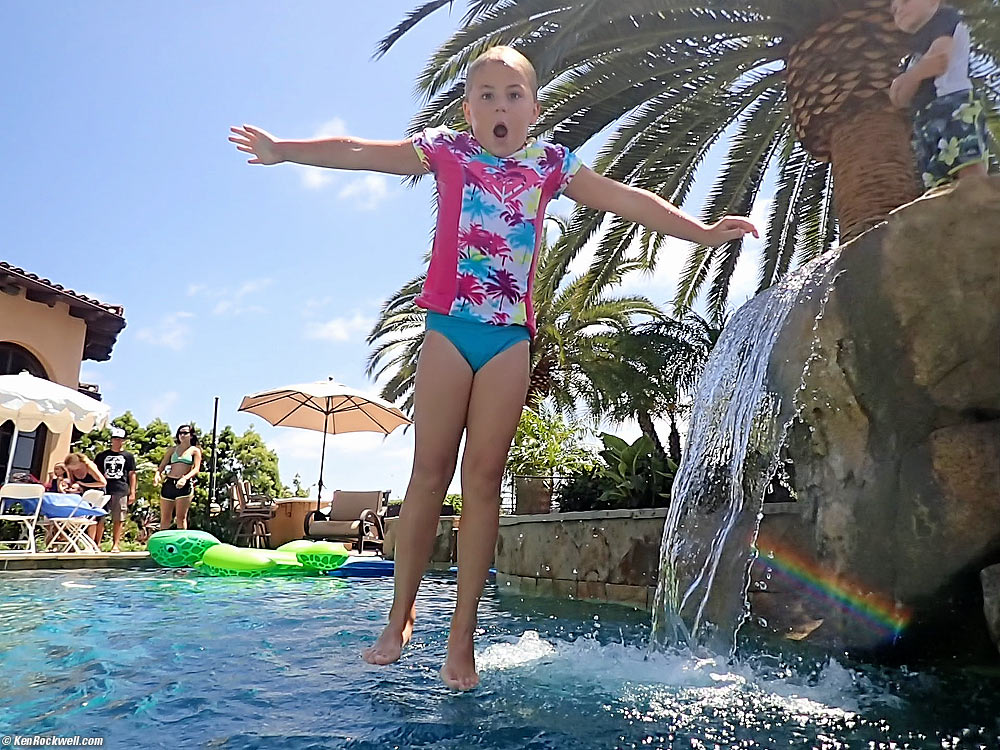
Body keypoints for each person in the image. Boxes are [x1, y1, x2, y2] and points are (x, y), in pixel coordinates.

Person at [229, 45, 757, 690]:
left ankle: (462, 640)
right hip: (448, 332)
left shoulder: (551, 165)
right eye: (486, 95)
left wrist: (700, 232)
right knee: (426, 477)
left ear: (534, 109)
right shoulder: (447, 152)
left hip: (509, 340)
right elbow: (362, 151)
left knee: (483, 484)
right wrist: (286, 149)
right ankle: (399, 620)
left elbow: (627, 199)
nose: (500, 105)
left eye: (513, 95)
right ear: (468, 109)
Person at [889, 0, 989, 189]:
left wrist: (908, 79)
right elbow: (897, 98)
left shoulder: (945, 19)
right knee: (938, 185)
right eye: (894, 10)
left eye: (905, 1)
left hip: (953, 106)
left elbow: (939, 60)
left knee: (969, 172)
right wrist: (916, 73)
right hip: (924, 121)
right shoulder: (911, 59)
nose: (899, 9)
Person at [94, 427, 137, 553]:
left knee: (118, 518)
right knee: (100, 516)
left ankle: (115, 544)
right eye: (115, 439)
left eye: (120, 439)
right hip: (103, 488)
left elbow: (132, 474)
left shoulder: (128, 456)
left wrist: (132, 492)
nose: (117, 441)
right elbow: (96, 472)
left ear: (124, 440)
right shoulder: (102, 456)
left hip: (120, 488)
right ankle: (96, 543)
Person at [155, 425, 201, 530]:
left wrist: (185, 478)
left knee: (181, 518)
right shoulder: (173, 450)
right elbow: (161, 466)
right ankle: (162, 543)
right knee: (165, 518)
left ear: (191, 435)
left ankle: (181, 544)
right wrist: (157, 475)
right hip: (170, 483)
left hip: (184, 484)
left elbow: (196, 468)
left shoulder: (194, 450)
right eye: (180, 433)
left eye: (185, 433)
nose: (182, 435)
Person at [64, 452, 107, 543]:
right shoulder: (71, 470)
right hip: (81, 492)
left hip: (95, 491)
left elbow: (103, 482)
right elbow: (73, 481)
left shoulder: (89, 466)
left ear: (79, 463)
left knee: (92, 516)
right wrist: (73, 487)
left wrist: (83, 484)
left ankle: (92, 541)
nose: (72, 470)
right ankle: (73, 541)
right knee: (75, 514)